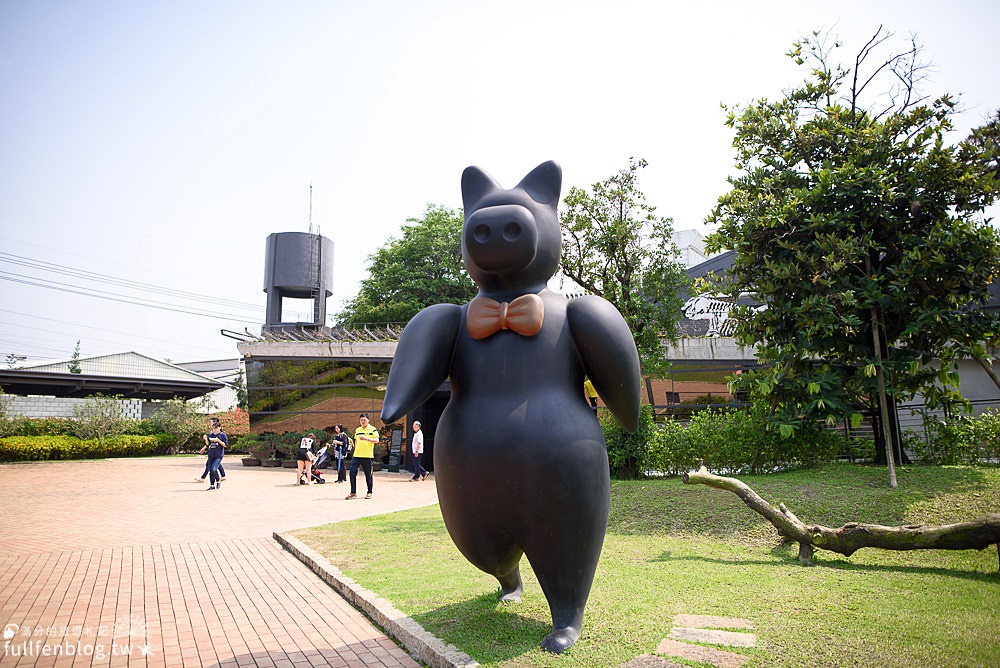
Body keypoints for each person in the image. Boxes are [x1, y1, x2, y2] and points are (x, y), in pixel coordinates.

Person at [346, 413, 378, 500]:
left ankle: (369, 492)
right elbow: (356, 441)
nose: (362, 421)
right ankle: (353, 492)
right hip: (357, 455)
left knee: (368, 475)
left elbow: (376, 440)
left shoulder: (373, 429)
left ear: (368, 420)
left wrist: (366, 439)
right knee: (352, 472)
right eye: (361, 420)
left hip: (367, 456)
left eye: (364, 420)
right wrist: (355, 450)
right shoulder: (357, 430)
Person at [196, 418, 226, 484]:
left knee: (211, 466)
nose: (210, 424)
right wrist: (204, 447)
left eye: (211, 422)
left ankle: (204, 478)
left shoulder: (220, 434)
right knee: (214, 465)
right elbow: (209, 442)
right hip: (212, 453)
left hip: (217, 453)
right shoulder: (212, 433)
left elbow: (224, 444)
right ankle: (222, 476)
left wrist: (218, 441)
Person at [205, 421, 228, 491]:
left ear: (220, 428)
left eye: (216, 428)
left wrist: (218, 441)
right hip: (211, 454)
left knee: (213, 469)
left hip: (218, 455)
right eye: (214, 428)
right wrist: (206, 439)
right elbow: (208, 444)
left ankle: (218, 480)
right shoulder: (211, 435)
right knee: (210, 470)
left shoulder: (222, 435)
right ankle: (212, 485)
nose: (215, 429)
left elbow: (225, 445)